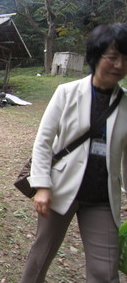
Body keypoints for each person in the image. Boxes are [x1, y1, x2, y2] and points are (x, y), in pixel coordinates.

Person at [20, 23, 127, 283]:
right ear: (95, 57)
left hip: (102, 197)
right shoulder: (67, 93)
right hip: (59, 189)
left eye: (126, 59)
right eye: (112, 58)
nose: (119, 65)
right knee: (41, 256)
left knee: (106, 271)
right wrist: (42, 186)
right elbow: (44, 142)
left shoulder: (126, 104)